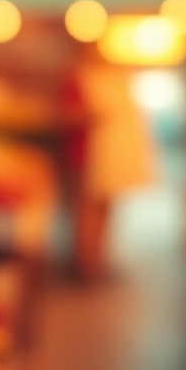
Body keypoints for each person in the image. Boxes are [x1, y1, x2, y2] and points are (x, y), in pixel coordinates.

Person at [59, 43, 155, 281]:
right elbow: (64, 116)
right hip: (84, 154)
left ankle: (96, 261)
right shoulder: (78, 78)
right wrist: (96, 114)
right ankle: (85, 265)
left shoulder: (112, 78)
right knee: (86, 210)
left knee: (105, 209)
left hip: (108, 155)